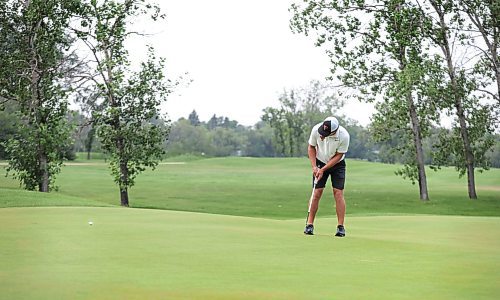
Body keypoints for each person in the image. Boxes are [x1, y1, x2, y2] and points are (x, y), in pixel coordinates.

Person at [304, 116, 350, 237]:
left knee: (338, 193)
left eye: (326, 133)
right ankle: (309, 225)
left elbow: (339, 155)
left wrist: (324, 169)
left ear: (334, 131)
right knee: (316, 192)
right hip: (319, 161)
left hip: (337, 164)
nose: (322, 135)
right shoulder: (316, 130)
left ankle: (340, 227)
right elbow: (311, 147)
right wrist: (315, 167)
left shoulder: (344, 136)